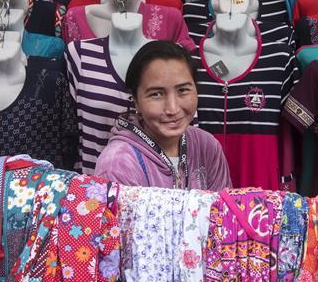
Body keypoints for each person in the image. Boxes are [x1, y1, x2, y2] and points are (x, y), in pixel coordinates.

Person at [94, 41, 232, 189]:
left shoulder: (206, 146)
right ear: (136, 101)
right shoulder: (118, 165)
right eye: (156, 94)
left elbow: (222, 210)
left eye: (183, 90)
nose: (172, 109)